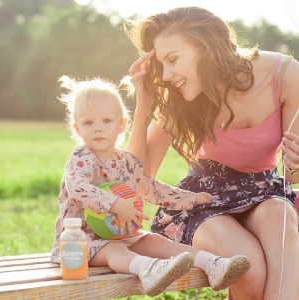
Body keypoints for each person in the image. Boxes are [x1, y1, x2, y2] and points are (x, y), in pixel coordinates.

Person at [123, 6, 299, 300]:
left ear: (206, 48)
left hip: (266, 192)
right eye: (162, 64)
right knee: (247, 266)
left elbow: (293, 175)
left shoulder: (286, 74)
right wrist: (143, 107)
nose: (166, 75)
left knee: (280, 215)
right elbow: (138, 178)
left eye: (173, 60)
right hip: (204, 200)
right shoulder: (177, 97)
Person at [50, 75, 251, 297]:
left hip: (120, 234)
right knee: (114, 250)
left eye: (106, 121)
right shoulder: (81, 156)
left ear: (121, 125)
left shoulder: (125, 160)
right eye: (89, 123)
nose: (98, 128)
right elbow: (78, 188)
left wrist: (190, 198)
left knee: (155, 240)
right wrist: (116, 204)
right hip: (80, 243)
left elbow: (149, 188)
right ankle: (148, 269)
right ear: (78, 129)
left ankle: (213, 263)